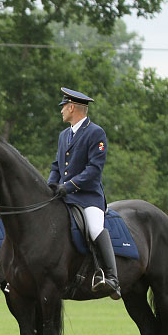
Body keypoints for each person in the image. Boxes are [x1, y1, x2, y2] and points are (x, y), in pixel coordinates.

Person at [47, 87, 120, 299]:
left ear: (72, 107)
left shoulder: (96, 132)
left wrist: (67, 186)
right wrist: (51, 186)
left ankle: (112, 277)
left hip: (88, 198)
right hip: (64, 197)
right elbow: (56, 166)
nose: (61, 111)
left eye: (63, 107)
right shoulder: (64, 135)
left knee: (95, 228)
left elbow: (93, 170)